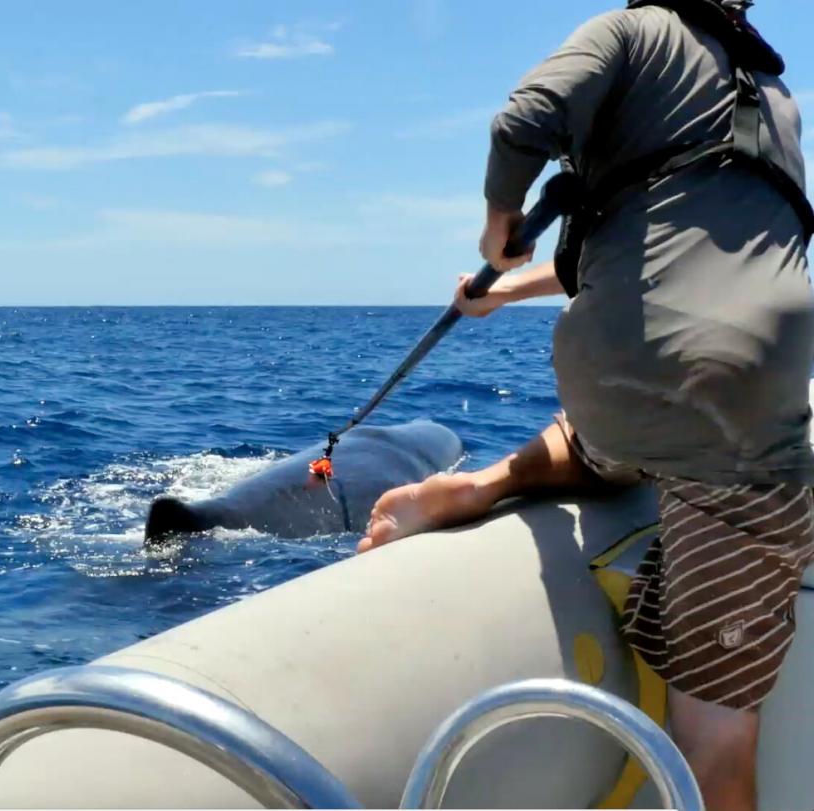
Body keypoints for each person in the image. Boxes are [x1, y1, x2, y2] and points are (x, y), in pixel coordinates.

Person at [357, 2, 814, 809]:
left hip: (615, 391)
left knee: (618, 435)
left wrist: (499, 241)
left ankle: (486, 483)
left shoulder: (628, 33)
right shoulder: (775, 98)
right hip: (747, 417)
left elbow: (532, 130)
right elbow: (707, 255)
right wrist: (503, 274)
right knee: (717, 740)